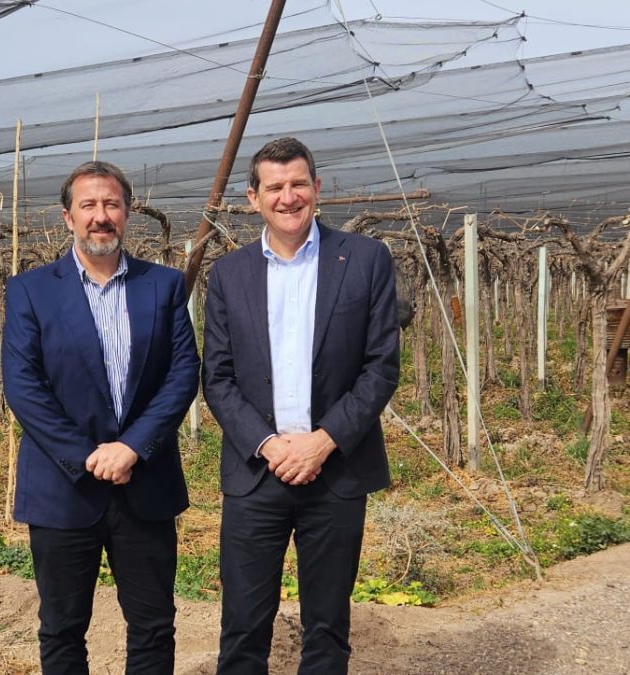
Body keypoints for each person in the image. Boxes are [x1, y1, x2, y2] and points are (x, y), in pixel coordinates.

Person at [202, 137, 401, 674]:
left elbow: (380, 365)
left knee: (328, 626)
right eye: (275, 187)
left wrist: (323, 440)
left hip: (335, 468)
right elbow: (216, 378)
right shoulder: (228, 274)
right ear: (253, 198)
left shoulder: (364, 260)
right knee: (242, 625)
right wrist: (268, 445)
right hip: (255, 474)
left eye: (298, 184)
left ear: (316, 188)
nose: (288, 197)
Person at [2, 160, 200, 675]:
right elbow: (24, 387)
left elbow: (182, 375)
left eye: (111, 204)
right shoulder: (31, 290)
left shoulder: (164, 286)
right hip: (63, 487)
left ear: (128, 212)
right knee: (63, 628)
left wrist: (133, 446)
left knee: (154, 624)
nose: (100, 216)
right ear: (67, 217)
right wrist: (87, 455)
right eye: (88, 205)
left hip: (145, 482)